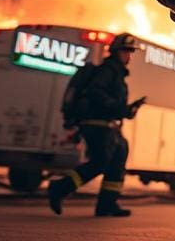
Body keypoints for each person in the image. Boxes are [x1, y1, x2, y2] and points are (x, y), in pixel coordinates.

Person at [47, 32, 146, 218]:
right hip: (97, 125)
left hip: (109, 125)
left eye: (131, 52)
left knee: (118, 159)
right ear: (116, 51)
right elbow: (96, 93)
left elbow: (111, 102)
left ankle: (107, 204)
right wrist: (118, 107)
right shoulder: (108, 70)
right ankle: (59, 188)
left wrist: (128, 109)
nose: (129, 56)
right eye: (126, 51)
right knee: (100, 162)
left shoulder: (116, 73)